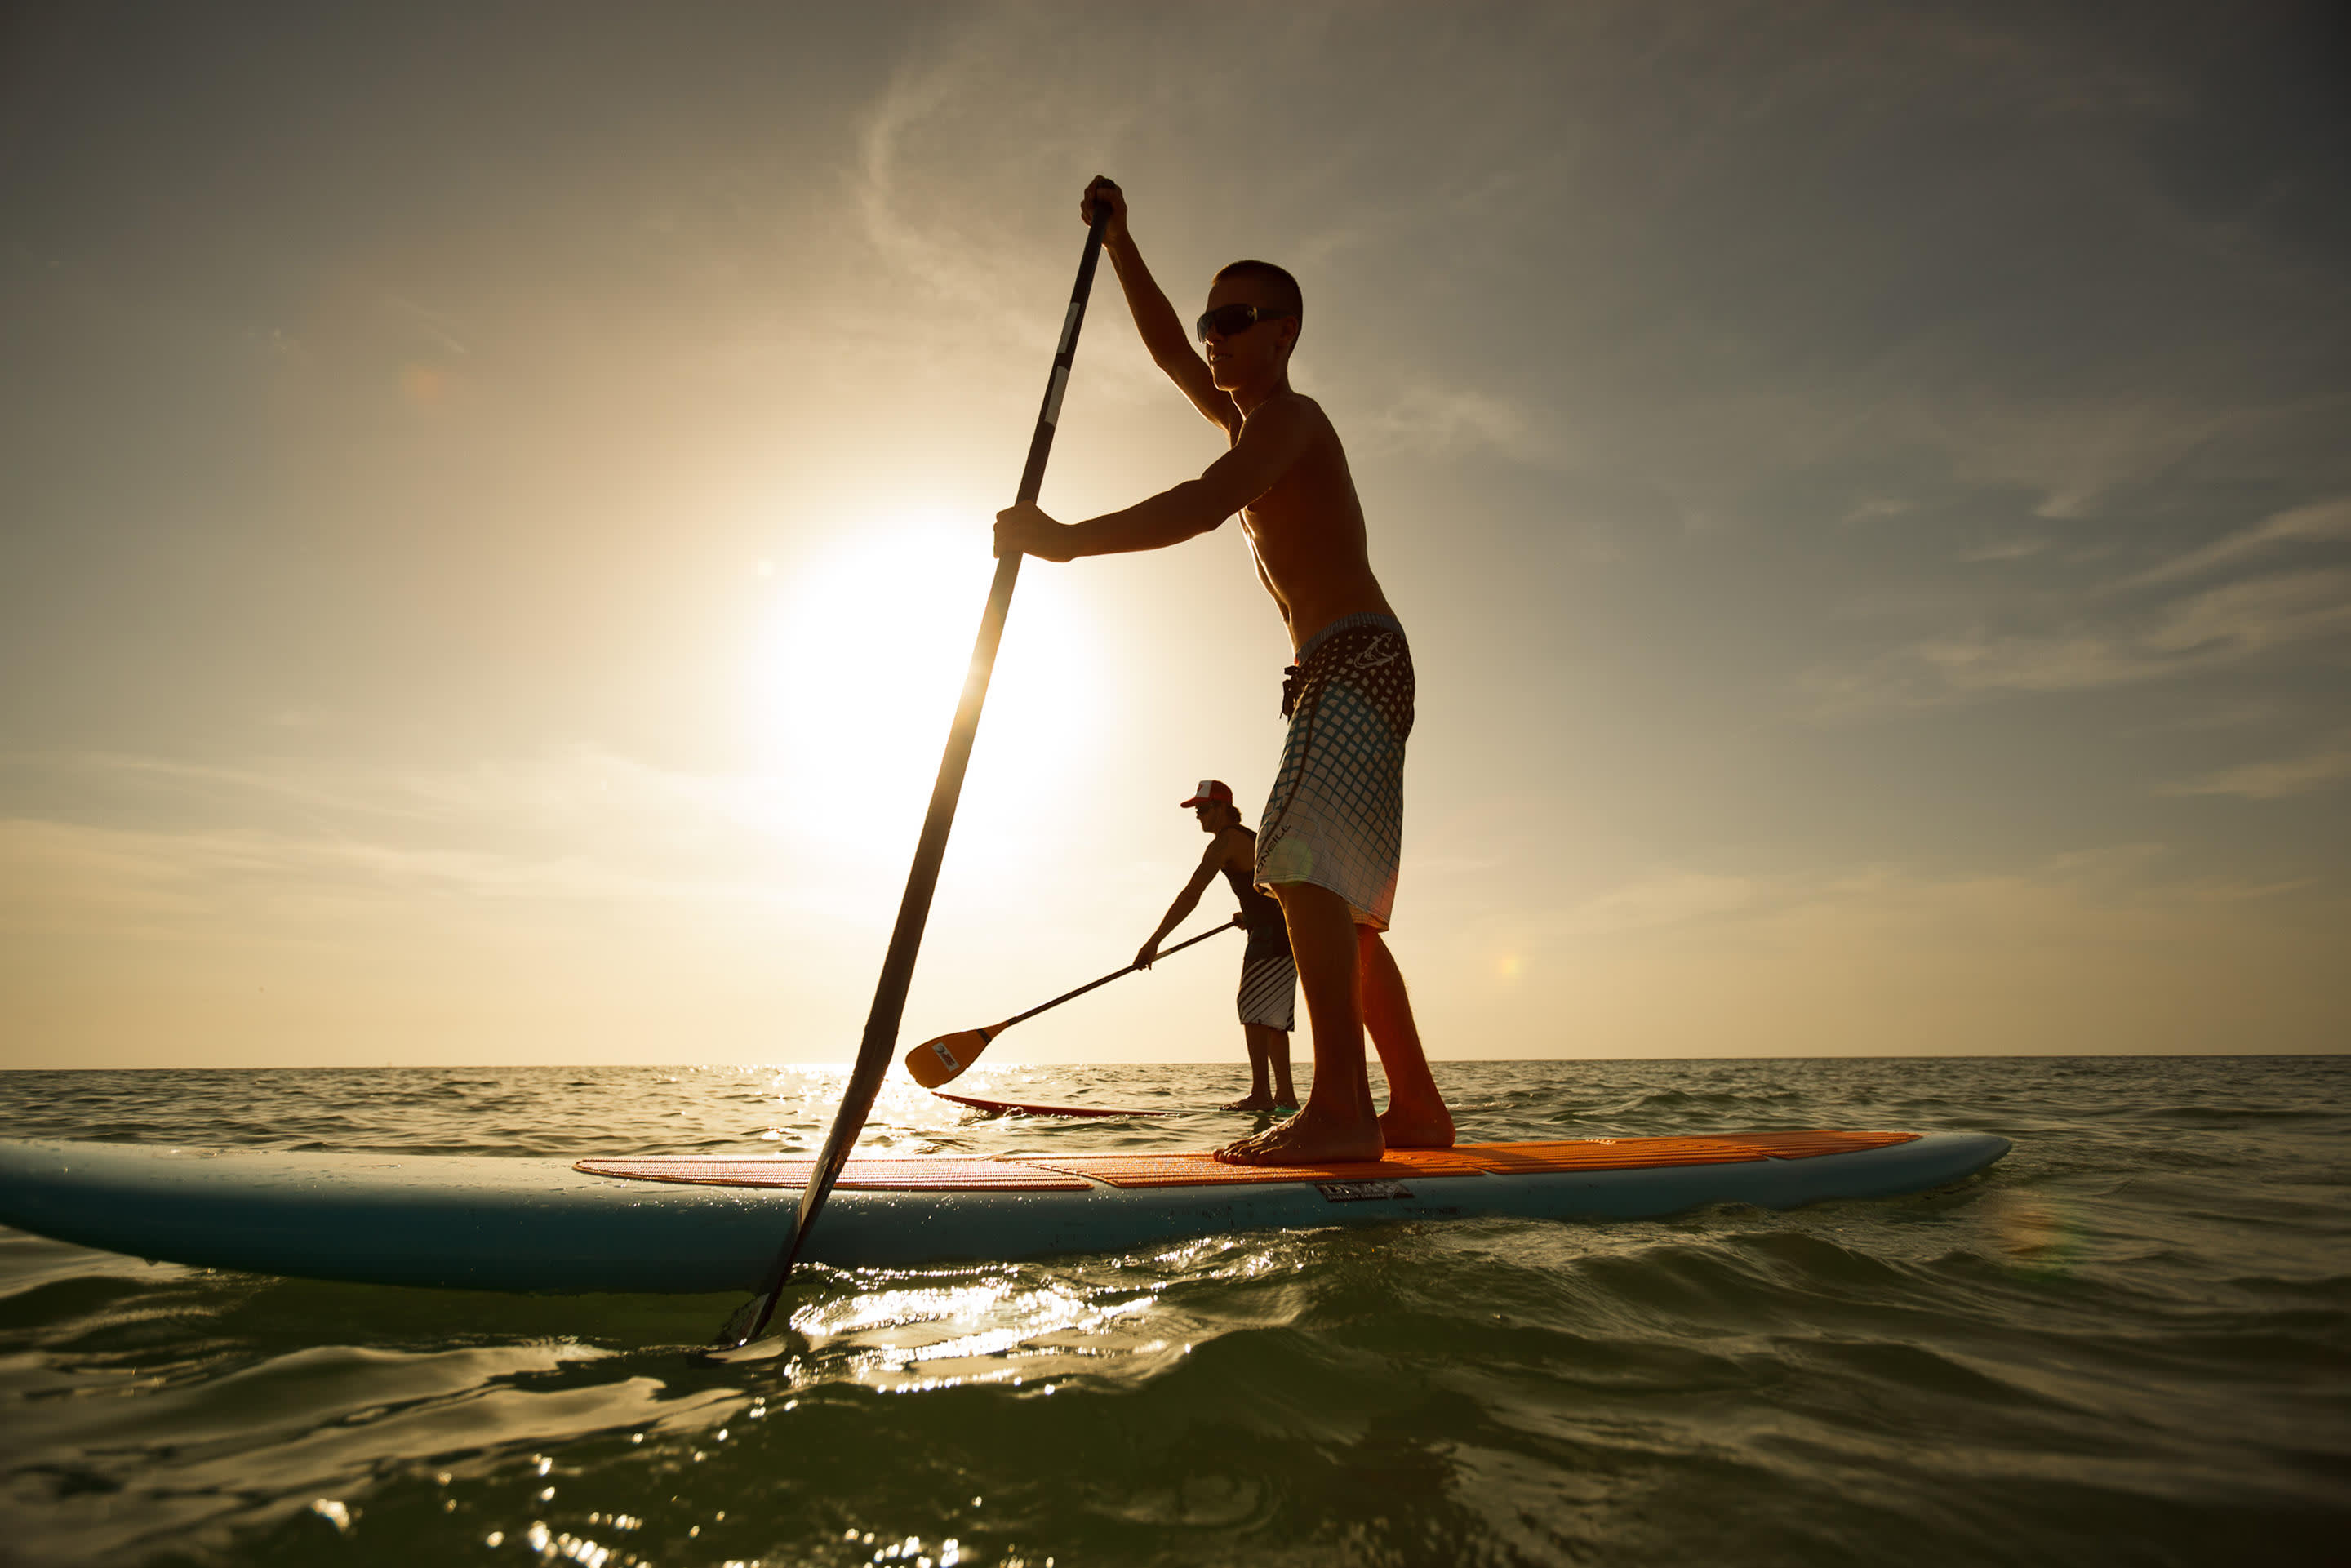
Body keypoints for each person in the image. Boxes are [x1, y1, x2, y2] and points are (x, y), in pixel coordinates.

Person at [996, 175, 1455, 1164]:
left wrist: (1063, 541)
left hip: (1356, 657)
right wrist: (1120, 242)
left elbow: (1208, 503)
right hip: (1344, 667)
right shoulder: (1248, 417)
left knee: (1294, 870)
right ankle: (1414, 1110)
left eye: (1237, 320)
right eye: (1214, 320)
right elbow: (1165, 349)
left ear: (1285, 333)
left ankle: (1338, 1113)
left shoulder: (1291, 421)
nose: (1216, 336)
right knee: (1335, 906)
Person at [1136, 779, 1299, 1113]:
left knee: (1253, 1011)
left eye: (1203, 809)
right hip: (1287, 931)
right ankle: (1284, 1097)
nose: (1198, 816)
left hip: (1271, 935)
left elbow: (1191, 895)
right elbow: (1270, 887)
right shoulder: (1251, 837)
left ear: (1223, 808)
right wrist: (1250, 913)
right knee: (1272, 1018)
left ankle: (1261, 1096)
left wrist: (1153, 942)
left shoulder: (1225, 842)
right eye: (1196, 810)